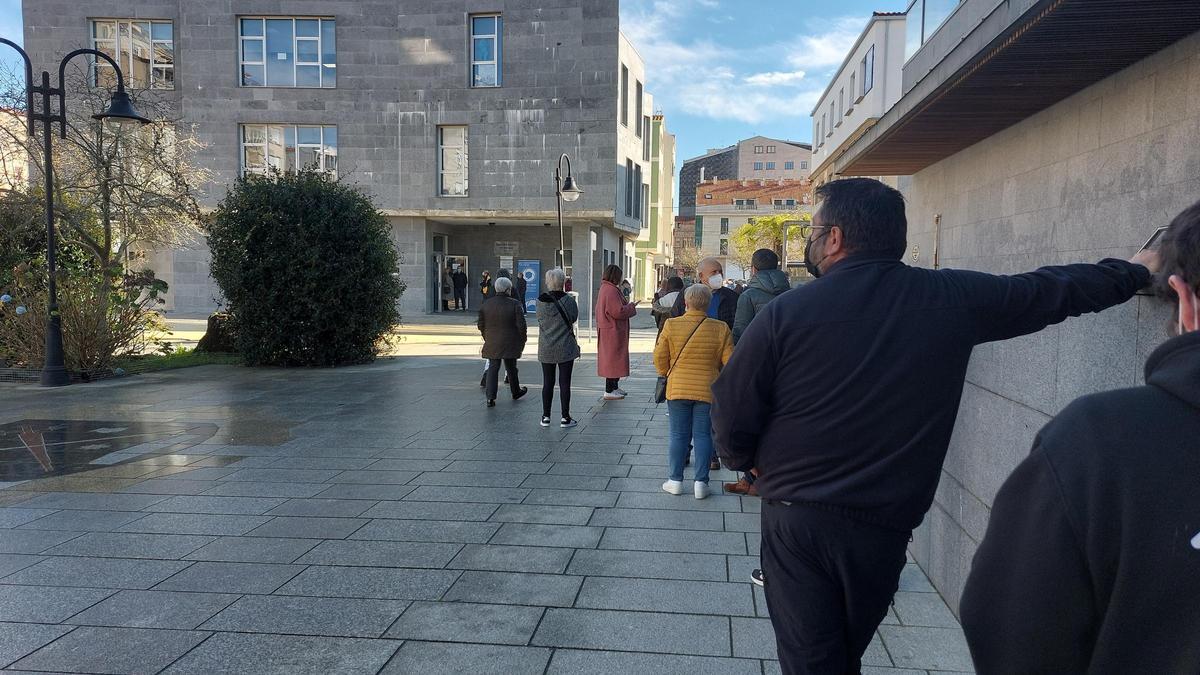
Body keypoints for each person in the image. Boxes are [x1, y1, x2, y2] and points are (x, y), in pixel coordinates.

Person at [709, 177, 1156, 675]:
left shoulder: (788, 312)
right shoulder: (950, 298)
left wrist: (743, 461)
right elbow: (1048, 291)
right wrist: (1134, 271)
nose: (812, 241)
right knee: (839, 654)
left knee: (812, 660)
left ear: (834, 238)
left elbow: (731, 403)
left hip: (798, 517)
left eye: (814, 231)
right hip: (884, 524)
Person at [958, 200, 1199, 674]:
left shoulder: (1101, 441)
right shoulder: (934, 296)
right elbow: (1037, 293)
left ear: (1184, 300)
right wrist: (1128, 273)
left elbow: (1010, 627)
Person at [655, 284, 733, 500]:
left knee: (678, 435)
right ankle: (701, 483)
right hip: (707, 390)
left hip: (678, 388)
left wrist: (665, 372)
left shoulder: (671, 325)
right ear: (708, 304)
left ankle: (675, 481)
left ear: (686, 302)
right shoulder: (721, 328)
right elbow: (730, 362)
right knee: (704, 435)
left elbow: (659, 357)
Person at [536, 268, 581, 429]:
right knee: (564, 383)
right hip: (565, 347)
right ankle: (565, 417)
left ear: (548, 282)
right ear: (563, 282)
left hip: (546, 347)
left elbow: (540, 319)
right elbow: (573, 318)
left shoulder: (540, 301)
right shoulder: (569, 301)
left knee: (547, 382)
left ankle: (545, 417)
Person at [477, 276, 529, 407]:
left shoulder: (486, 304)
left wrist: (486, 336)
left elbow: (480, 324)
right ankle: (515, 391)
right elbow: (521, 325)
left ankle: (490, 398)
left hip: (492, 341)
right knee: (511, 367)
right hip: (510, 341)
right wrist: (523, 339)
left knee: (493, 367)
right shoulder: (515, 304)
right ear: (507, 290)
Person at [596, 264, 638, 400]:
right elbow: (617, 311)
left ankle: (614, 387)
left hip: (609, 330)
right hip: (612, 331)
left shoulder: (606, 288)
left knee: (613, 359)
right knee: (613, 360)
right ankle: (609, 389)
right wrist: (631, 307)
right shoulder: (611, 290)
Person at [670, 257, 737, 330]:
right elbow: (675, 316)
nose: (719, 275)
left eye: (720, 272)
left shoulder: (731, 296)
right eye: (714, 272)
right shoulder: (688, 292)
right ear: (701, 276)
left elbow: (734, 325)